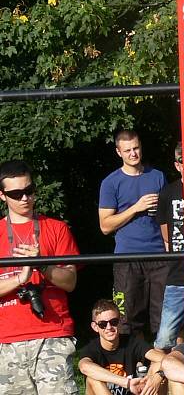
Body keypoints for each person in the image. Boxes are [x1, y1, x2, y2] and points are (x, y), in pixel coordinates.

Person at [0, 160, 80, 394]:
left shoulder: (57, 228)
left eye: (29, 190)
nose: (24, 198)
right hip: (7, 339)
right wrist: (21, 279)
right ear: (2, 196)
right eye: (16, 194)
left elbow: (71, 282)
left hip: (53, 333)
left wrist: (42, 265)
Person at [98, 129, 169, 337]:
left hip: (159, 255)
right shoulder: (111, 182)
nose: (133, 154)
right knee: (127, 317)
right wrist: (135, 208)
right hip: (127, 257)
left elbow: (167, 215)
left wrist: (168, 243)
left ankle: (165, 363)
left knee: (165, 315)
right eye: (127, 150)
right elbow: (105, 226)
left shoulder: (157, 176)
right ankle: (132, 362)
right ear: (118, 152)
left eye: (136, 148)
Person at [78, 299, 166, 395]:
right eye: (102, 324)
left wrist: (159, 375)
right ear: (95, 327)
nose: (109, 327)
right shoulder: (91, 349)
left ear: (120, 322)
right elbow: (84, 366)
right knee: (92, 379)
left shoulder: (132, 343)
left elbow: (166, 359)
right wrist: (126, 383)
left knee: (159, 367)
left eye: (114, 322)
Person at [154, 143, 184, 351]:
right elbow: (166, 235)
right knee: (165, 337)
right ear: (177, 165)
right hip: (178, 273)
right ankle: (161, 378)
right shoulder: (168, 193)